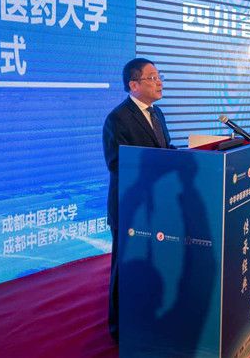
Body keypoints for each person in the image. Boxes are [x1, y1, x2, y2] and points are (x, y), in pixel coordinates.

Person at [102, 57, 175, 341]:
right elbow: (116, 163)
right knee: (124, 267)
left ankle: (148, 317)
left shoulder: (157, 114)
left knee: (151, 264)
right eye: (152, 77)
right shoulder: (118, 118)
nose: (159, 82)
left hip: (155, 204)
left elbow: (165, 148)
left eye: (159, 76)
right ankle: (119, 330)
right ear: (134, 85)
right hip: (129, 206)